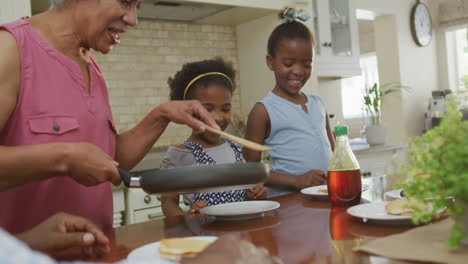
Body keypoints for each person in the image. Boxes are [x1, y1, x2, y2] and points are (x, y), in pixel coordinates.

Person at [0, 0, 220, 236]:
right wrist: (65, 157)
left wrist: (162, 115)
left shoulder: (90, 64)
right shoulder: (10, 48)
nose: (133, 20)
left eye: (138, 6)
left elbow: (107, 163)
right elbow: (73, 159)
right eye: (125, 2)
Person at [243, 8, 335, 198]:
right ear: (271, 62)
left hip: (325, 198)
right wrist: (296, 180)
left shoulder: (319, 104)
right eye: (289, 63)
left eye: (307, 64)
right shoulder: (263, 110)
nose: (299, 71)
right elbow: (249, 171)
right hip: (289, 204)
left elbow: (336, 156)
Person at [161, 58, 267, 217]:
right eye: (208, 109)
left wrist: (257, 193)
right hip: (205, 236)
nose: (218, 118)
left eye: (225, 109)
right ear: (187, 111)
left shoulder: (235, 148)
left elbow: (249, 190)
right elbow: (168, 203)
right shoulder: (178, 156)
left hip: (242, 234)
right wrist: (188, 217)